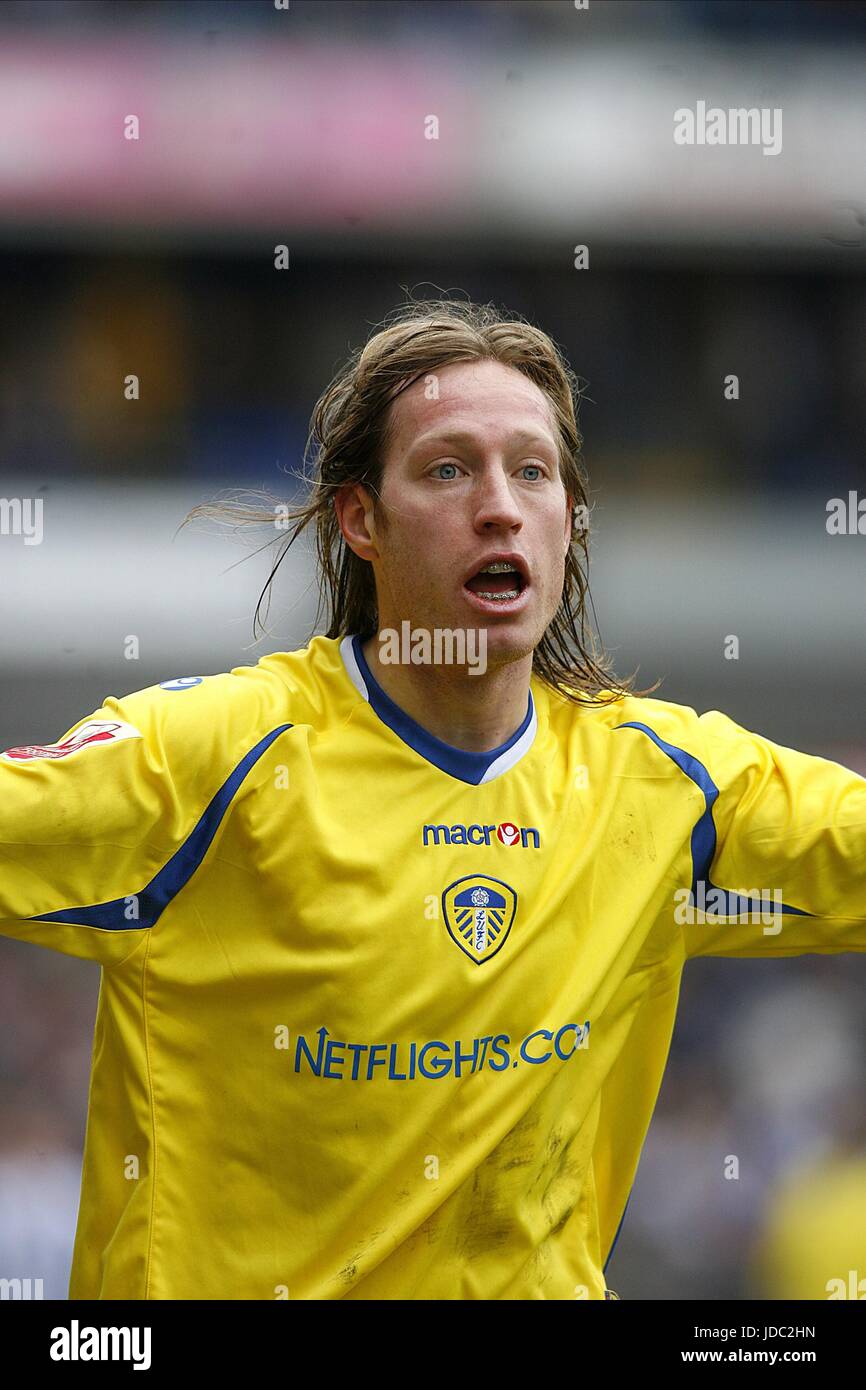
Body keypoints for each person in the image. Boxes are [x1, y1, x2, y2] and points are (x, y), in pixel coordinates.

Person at [2, 299, 864, 1300]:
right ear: (360, 519)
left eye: (531, 471)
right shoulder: (211, 758)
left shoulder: (667, 786)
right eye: (448, 469)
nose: (498, 504)